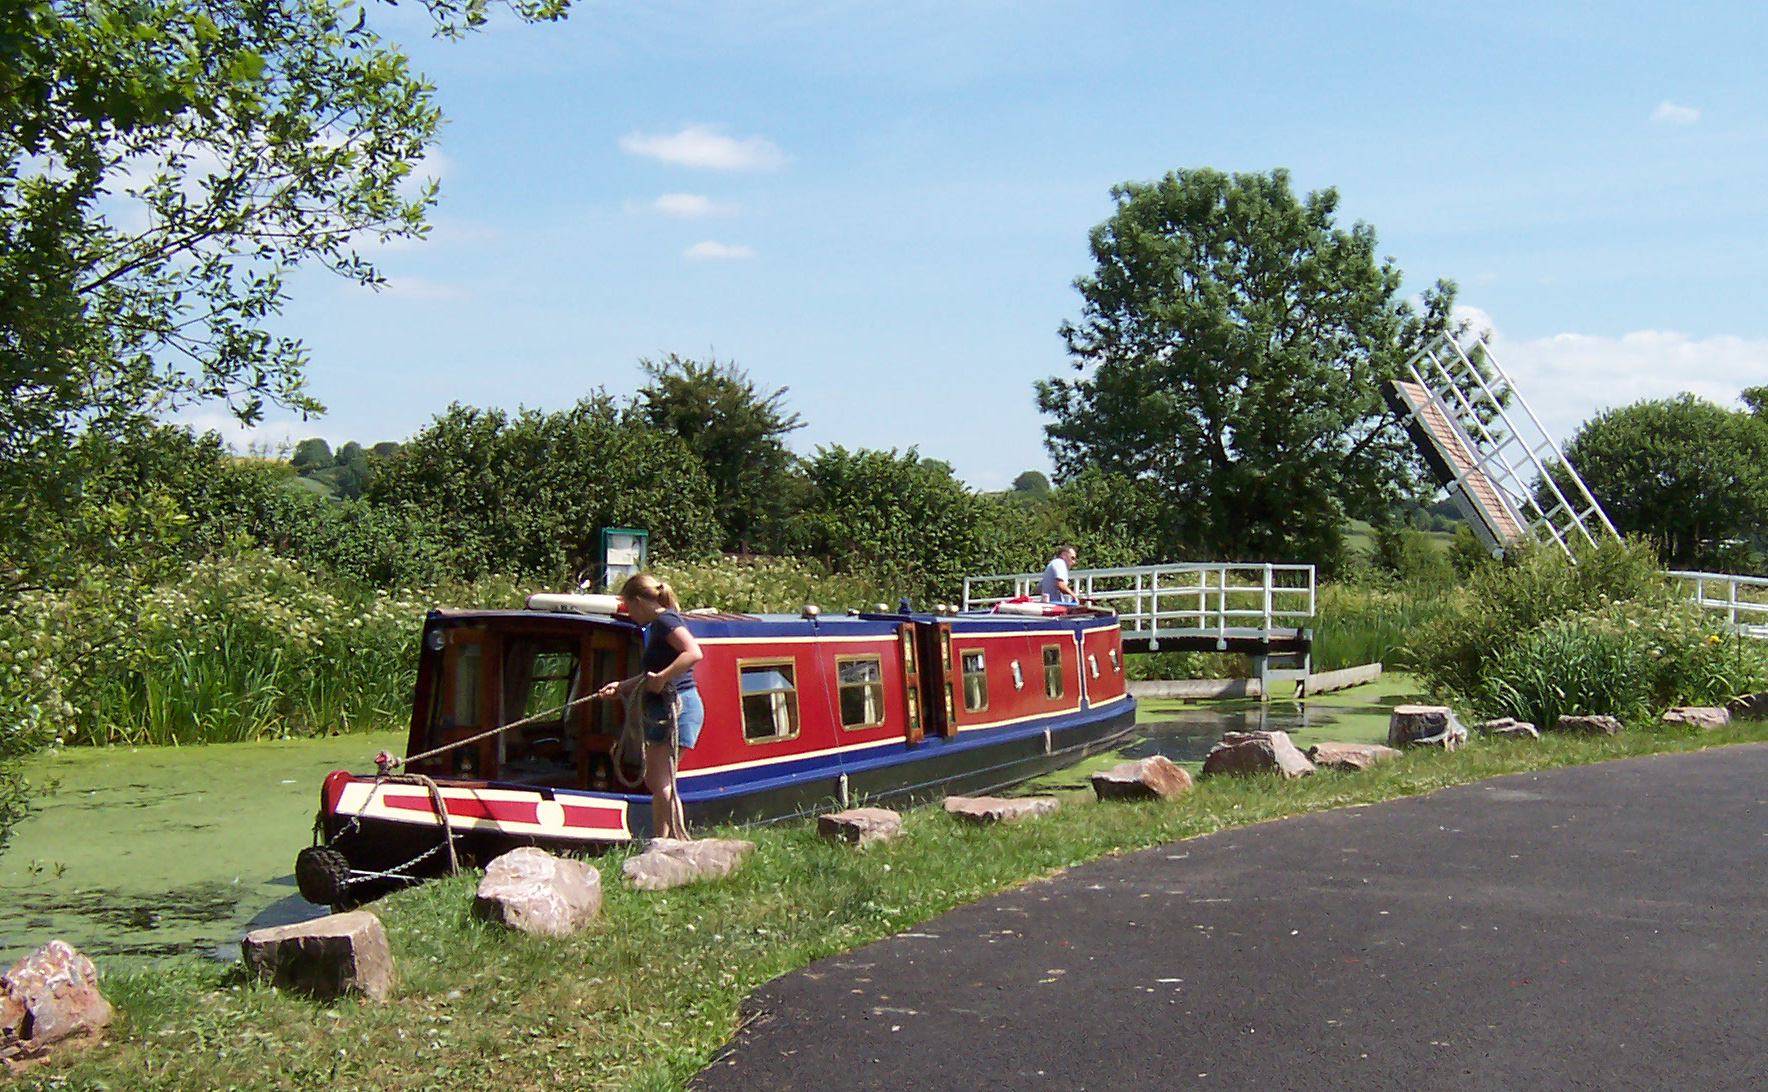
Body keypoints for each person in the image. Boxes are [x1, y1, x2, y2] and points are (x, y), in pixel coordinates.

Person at [597, 573, 703, 839]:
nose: (630, 614)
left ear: (638, 602)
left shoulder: (665, 621)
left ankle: (682, 842)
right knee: (659, 783)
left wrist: (663, 678)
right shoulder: (659, 624)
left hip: (677, 707)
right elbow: (650, 676)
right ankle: (660, 841)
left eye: (629, 607)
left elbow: (693, 652)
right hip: (667, 708)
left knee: (659, 781)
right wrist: (622, 686)